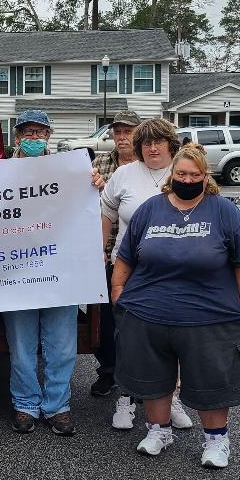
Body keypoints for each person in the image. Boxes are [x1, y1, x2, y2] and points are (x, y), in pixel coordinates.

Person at [111, 142, 240, 469]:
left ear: (206, 177)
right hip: (148, 312)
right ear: (172, 174)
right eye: (181, 174)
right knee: (152, 375)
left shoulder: (224, 212)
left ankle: (216, 441)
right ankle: (158, 431)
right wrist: (119, 289)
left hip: (208, 315)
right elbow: (127, 254)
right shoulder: (151, 209)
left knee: (212, 378)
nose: (187, 180)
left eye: (194, 175)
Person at [3, 109, 102, 437]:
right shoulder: (0, 171)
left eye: (40, 132)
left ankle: (58, 406)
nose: (34, 138)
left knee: (62, 346)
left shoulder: (69, 171)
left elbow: (89, 207)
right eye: (28, 133)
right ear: (17, 137)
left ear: (49, 136)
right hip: (15, 273)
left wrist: (95, 184)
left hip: (60, 271)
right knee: (22, 347)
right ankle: (25, 403)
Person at [100, 118, 194, 432]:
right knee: (128, 337)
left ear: (171, 144)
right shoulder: (124, 174)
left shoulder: (182, 172)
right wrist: (100, 251)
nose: (153, 148)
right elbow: (106, 213)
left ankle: (171, 397)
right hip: (129, 269)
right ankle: (126, 397)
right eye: (146, 143)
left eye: (159, 142)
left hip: (175, 272)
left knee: (172, 337)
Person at [90, 109, 140, 397]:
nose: (122, 137)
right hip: (104, 251)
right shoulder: (100, 162)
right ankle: (109, 370)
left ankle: (142, 377)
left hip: (140, 256)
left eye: (128, 131)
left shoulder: (147, 165)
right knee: (104, 318)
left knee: (138, 319)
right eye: (117, 132)